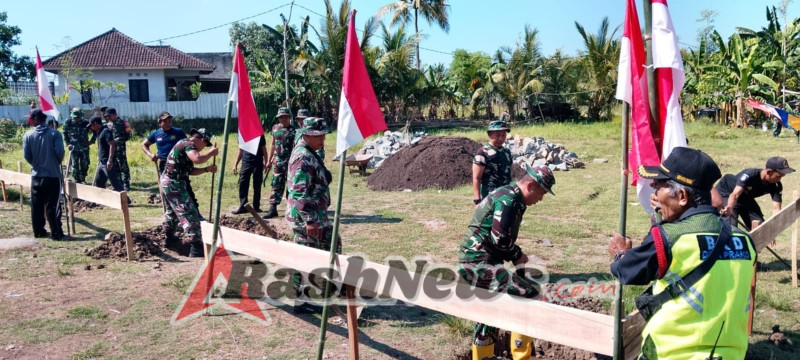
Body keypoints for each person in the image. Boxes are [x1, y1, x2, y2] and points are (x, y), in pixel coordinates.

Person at [609, 147, 755, 359]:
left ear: (682, 196)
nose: (654, 194)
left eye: (658, 187)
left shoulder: (670, 237)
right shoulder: (744, 240)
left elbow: (627, 271)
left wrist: (620, 253)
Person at [458, 164, 555, 360]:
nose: (540, 199)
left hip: (480, 260)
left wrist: (515, 254)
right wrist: (517, 254)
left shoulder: (512, 195)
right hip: (478, 263)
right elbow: (500, 238)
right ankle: (522, 356)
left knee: (491, 310)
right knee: (528, 293)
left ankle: (483, 356)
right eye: (541, 193)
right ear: (530, 185)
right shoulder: (509, 199)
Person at [286, 118, 339, 313]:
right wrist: (310, 220)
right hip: (306, 218)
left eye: (324, 135)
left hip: (318, 214)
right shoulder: (302, 157)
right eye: (318, 136)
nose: (322, 139)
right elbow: (299, 193)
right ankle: (302, 299)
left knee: (333, 245)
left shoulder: (310, 152)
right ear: (306, 134)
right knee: (306, 257)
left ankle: (330, 293)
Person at [160, 128, 218, 257]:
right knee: (189, 212)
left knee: (173, 213)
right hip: (173, 183)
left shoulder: (185, 146)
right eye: (205, 145)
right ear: (202, 140)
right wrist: (210, 153)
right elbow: (197, 158)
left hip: (170, 182)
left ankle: (168, 238)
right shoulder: (188, 144)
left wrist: (206, 169)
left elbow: (189, 170)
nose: (203, 148)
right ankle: (196, 247)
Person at [22, 109, 67, 240]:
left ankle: (39, 231)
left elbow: (27, 156)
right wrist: (54, 163)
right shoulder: (54, 134)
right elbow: (60, 153)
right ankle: (56, 232)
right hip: (52, 175)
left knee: (37, 205)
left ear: (36, 120)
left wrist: (36, 164)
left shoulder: (28, 135)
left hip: (36, 175)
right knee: (52, 205)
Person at [716, 157, 794, 231]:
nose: (779, 179)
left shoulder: (776, 185)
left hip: (746, 197)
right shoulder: (749, 175)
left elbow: (776, 209)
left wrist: (771, 229)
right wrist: (729, 207)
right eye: (778, 176)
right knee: (730, 226)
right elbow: (735, 195)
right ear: (769, 172)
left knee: (761, 228)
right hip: (728, 192)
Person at [263, 107, 296, 219]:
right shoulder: (275, 128)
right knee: (276, 183)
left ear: (289, 118)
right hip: (278, 160)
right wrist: (268, 160)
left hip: (290, 161)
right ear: (279, 118)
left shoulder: (294, 130)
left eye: (286, 117)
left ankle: (291, 208)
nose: (284, 119)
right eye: (281, 117)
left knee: (291, 184)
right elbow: (273, 144)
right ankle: (273, 209)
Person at [472, 118, 512, 206]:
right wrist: (477, 200)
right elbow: (476, 178)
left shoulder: (506, 152)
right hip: (489, 197)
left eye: (503, 135)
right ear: (489, 134)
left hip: (506, 195)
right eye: (497, 135)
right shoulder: (482, 153)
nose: (501, 138)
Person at [231, 131, 268, 214]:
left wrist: (266, 163)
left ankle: (256, 207)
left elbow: (264, 149)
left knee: (257, 185)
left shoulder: (259, 135)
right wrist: (235, 164)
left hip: (257, 162)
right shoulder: (242, 134)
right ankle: (243, 206)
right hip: (246, 163)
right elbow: (240, 150)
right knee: (243, 184)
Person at [90, 116, 126, 195]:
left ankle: (126, 200)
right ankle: (103, 198)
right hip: (101, 162)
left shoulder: (105, 131)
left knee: (114, 181)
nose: (91, 128)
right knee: (99, 182)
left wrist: (110, 159)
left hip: (107, 162)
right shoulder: (99, 132)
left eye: (92, 125)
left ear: (95, 124)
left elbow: (112, 144)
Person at [104, 108, 132, 191]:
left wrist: (119, 140)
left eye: (109, 116)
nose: (108, 118)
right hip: (111, 149)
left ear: (114, 114)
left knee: (123, 166)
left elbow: (129, 134)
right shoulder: (108, 125)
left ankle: (126, 183)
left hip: (120, 148)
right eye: (106, 116)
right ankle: (118, 184)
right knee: (115, 166)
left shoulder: (123, 122)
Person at [62, 108, 93, 184]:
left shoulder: (86, 123)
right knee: (74, 165)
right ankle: (77, 179)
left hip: (84, 148)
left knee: (85, 164)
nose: (76, 119)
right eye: (74, 117)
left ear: (81, 116)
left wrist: (92, 141)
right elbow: (64, 133)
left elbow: (95, 131)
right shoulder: (68, 122)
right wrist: (67, 143)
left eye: (77, 117)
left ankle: (83, 178)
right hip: (73, 148)